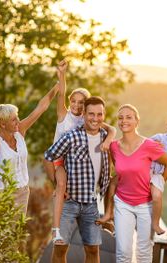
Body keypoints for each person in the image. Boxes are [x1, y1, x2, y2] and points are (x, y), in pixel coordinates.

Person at [48, 60, 116, 245]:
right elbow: (61, 93)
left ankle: (109, 218)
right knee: (61, 186)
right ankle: (55, 230)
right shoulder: (64, 115)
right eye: (73, 101)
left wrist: (109, 139)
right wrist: (62, 74)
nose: (76, 105)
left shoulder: (85, 120)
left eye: (81, 103)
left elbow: (111, 129)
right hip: (58, 159)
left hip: (73, 167)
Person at [97, 104, 167, 263]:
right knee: (123, 252)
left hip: (145, 205)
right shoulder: (114, 147)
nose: (124, 121)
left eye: (129, 117)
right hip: (122, 204)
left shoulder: (148, 145)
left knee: (143, 252)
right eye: (120, 118)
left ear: (137, 121)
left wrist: (158, 183)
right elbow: (117, 174)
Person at [0, 81, 59, 215]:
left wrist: (59, 84)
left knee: (17, 233)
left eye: (17, 117)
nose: (18, 121)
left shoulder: (20, 132)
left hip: (23, 192)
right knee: (3, 234)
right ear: (2, 124)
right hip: (4, 194)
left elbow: (41, 107)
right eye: (13, 119)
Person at [43, 96, 111, 263]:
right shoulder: (71, 136)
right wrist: (57, 184)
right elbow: (47, 157)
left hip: (91, 203)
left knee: (93, 250)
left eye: (99, 114)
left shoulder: (106, 138)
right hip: (69, 202)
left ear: (104, 115)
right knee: (60, 249)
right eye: (91, 114)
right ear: (84, 114)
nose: (95, 118)